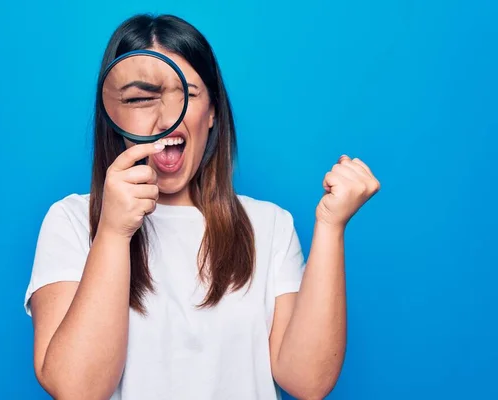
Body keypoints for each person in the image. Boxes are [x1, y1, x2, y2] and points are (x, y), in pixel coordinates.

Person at [23, 13, 380, 400]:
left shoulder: (270, 225)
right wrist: (112, 232)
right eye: (141, 98)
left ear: (212, 112)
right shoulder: (72, 221)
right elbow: (78, 390)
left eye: (187, 94)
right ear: (114, 115)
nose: (163, 117)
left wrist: (330, 226)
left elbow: (308, 381)